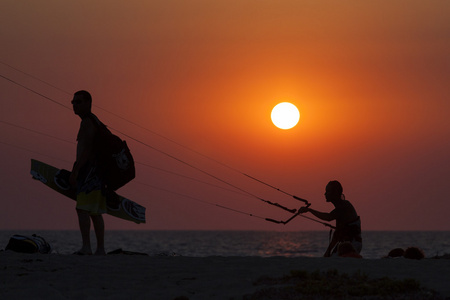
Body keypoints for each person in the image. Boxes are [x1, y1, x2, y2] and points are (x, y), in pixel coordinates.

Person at [69, 90, 107, 255]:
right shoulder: (94, 121)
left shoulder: (87, 122)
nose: (74, 105)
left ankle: (87, 247)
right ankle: (100, 249)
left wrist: (76, 171)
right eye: (73, 102)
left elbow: (87, 150)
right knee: (94, 211)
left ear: (88, 103)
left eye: (78, 102)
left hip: (89, 172)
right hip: (97, 172)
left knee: (83, 209)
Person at [299, 180, 362, 257]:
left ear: (335, 193)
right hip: (346, 244)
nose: (325, 194)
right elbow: (337, 235)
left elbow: (328, 217)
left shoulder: (344, 206)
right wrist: (327, 252)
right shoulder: (340, 208)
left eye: (327, 191)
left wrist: (309, 210)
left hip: (353, 244)